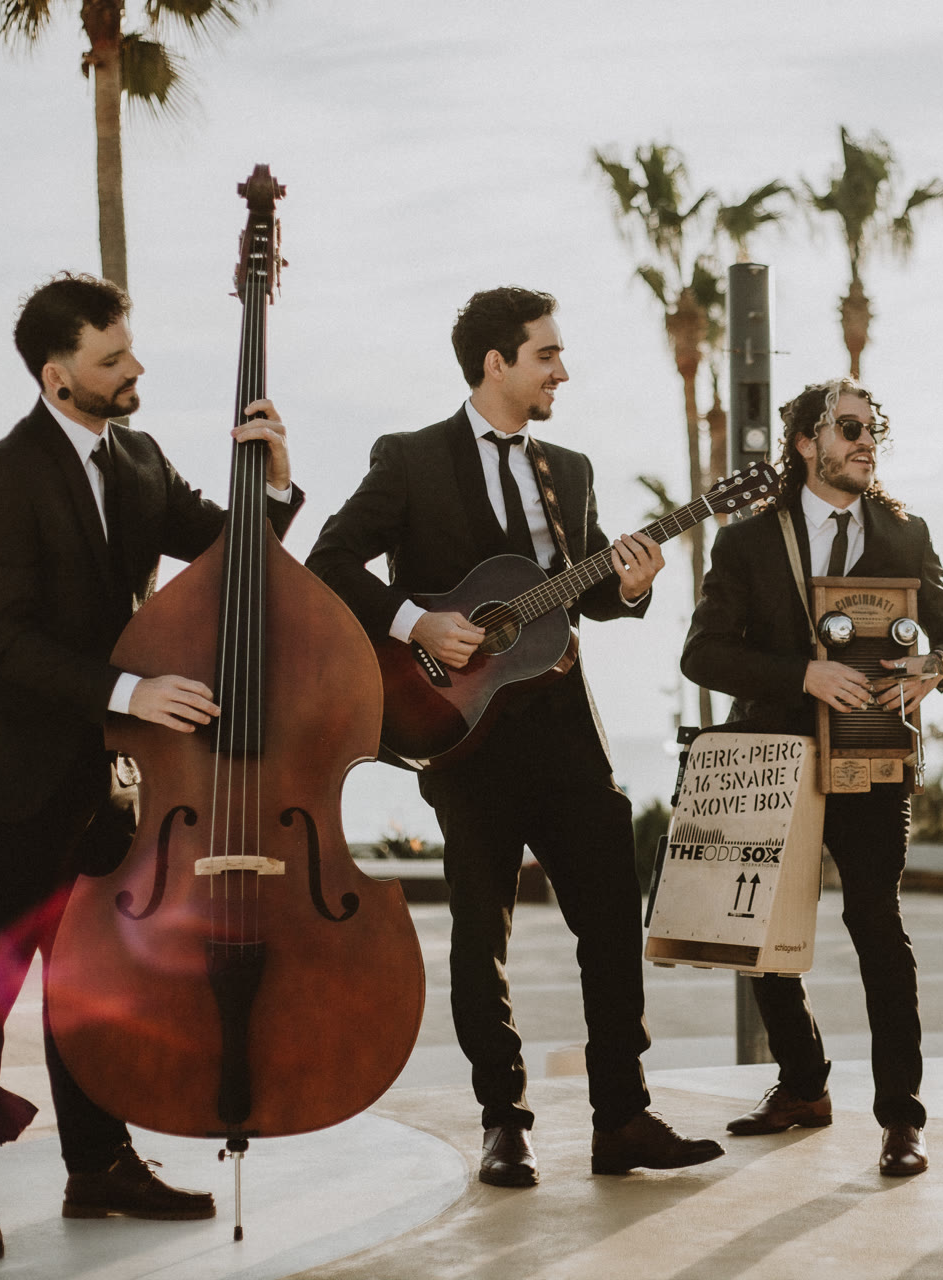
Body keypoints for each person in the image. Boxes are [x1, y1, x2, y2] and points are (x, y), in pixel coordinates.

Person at [0, 272, 299, 1261]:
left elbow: (231, 551)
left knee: (89, 982)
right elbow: (4, 638)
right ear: (58, 375)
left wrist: (277, 480)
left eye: (131, 350)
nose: (136, 369)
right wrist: (130, 694)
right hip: (10, 770)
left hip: (109, 778)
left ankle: (98, 1164)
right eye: (112, 358)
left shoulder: (141, 460)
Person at [306, 286, 721, 1186]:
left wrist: (635, 584)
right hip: (458, 734)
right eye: (547, 355)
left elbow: (590, 594)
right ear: (496, 363)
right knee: (478, 932)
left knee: (611, 920)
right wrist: (416, 621)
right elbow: (330, 561)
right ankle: (505, 1120)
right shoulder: (410, 459)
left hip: (569, 733)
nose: (561, 371)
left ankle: (623, 1116)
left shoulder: (566, 470)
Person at [682, 378, 943, 1178]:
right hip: (772, 758)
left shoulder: (905, 534)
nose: (865, 439)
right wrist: (804, 675)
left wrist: (933, 668)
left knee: (878, 928)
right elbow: (702, 654)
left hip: (873, 756)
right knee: (760, 935)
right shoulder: (748, 541)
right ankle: (803, 1084)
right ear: (806, 442)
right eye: (849, 426)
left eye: (874, 425)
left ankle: (902, 1120)